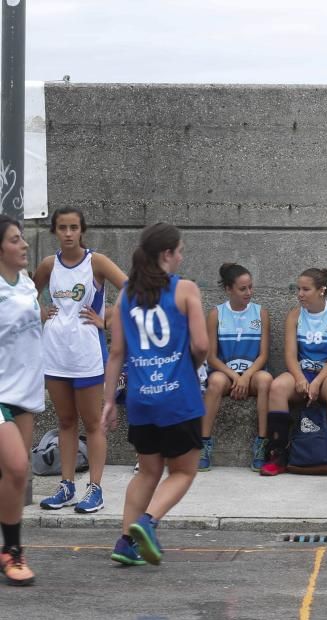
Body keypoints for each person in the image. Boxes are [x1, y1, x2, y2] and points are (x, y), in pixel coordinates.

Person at [102, 223, 208, 566]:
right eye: (179, 251)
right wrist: (191, 363)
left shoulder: (125, 295)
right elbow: (202, 345)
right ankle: (147, 523)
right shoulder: (186, 290)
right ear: (166, 254)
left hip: (141, 397)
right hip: (178, 396)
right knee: (183, 471)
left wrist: (107, 402)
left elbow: (116, 353)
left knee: (148, 471)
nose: (181, 256)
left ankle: (124, 543)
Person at [32, 207, 127, 514]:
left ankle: (95, 489)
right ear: (55, 231)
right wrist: (40, 313)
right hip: (55, 353)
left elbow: (130, 287)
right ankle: (66, 485)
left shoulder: (95, 262)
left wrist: (107, 319)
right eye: (63, 228)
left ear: (82, 230)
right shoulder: (49, 265)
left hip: (87, 355)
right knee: (65, 420)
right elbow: (27, 294)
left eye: (74, 227)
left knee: (93, 422)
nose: (69, 233)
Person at [261, 268, 327, 476]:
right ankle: (278, 452)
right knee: (277, 387)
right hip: (304, 372)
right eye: (298, 289)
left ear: (321, 290)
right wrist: (300, 378)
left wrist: (318, 381)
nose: (300, 294)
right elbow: (290, 356)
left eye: (305, 289)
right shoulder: (295, 315)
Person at [0, 217, 43, 585]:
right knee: (15, 467)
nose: (24, 244)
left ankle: (10, 549)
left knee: (15, 477)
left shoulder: (27, 283)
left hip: (25, 392)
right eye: (15, 240)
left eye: (23, 238)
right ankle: (12, 553)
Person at [201, 263, 273, 472]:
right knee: (214, 382)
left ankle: (262, 443)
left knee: (266, 380)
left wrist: (246, 376)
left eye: (250, 287)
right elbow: (212, 357)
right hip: (226, 375)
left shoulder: (261, 313)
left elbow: (264, 355)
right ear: (228, 289)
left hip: (253, 374)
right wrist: (235, 376)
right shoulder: (216, 314)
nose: (248, 292)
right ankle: (204, 443)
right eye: (243, 289)